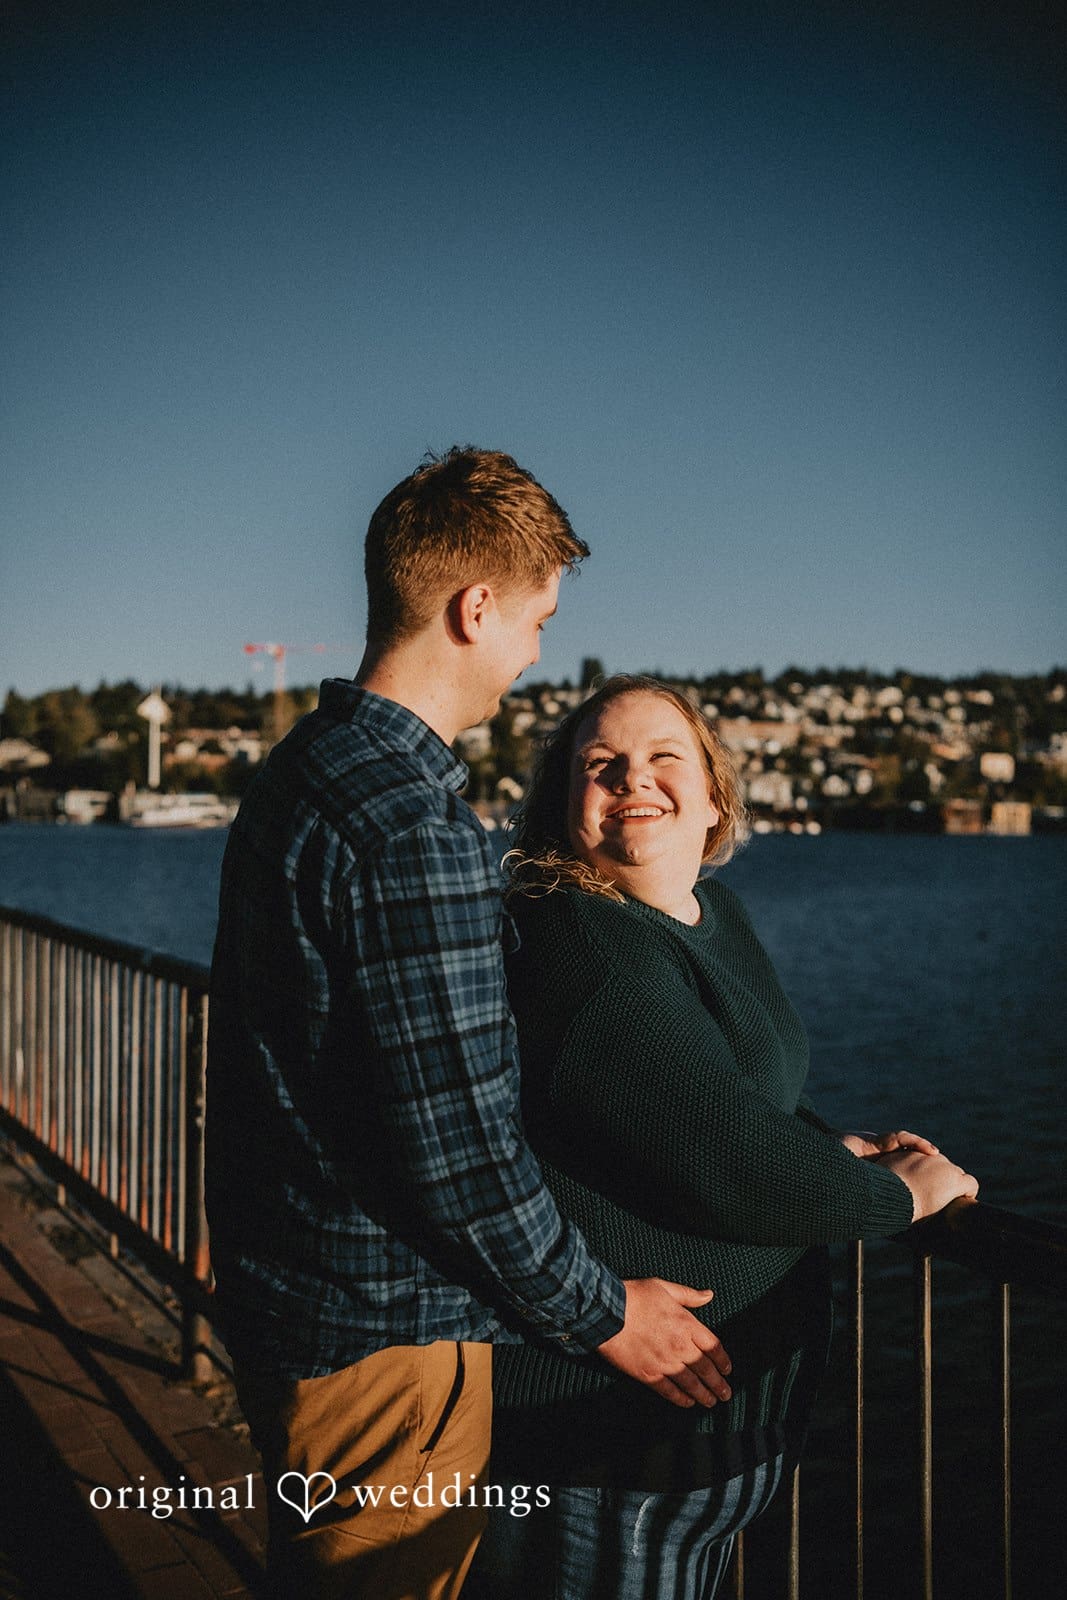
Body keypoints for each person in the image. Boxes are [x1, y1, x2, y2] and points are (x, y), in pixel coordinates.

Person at [205, 456, 732, 1600]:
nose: (536, 652)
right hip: (384, 1341)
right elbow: (458, 1156)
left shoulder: (305, 772)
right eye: (536, 619)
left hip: (293, 1300)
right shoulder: (415, 827)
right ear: (473, 607)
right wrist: (608, 1316)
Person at [465, 675, 979, 1600]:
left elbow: (736, 1099)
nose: (635, 778)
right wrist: (903, 1195)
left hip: (698, 1428)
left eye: (665, 757)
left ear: (712, 799)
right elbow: (732, 1159)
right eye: (600, 764)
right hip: (606, 1440)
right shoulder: (585, 951)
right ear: (559, 805)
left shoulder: (707, 916)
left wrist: (832, 1146)